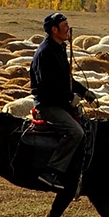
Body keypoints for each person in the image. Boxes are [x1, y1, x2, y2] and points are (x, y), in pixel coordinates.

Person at [30, 11, 85, 192]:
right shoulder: (46, 52)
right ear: (54, 29)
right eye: (65, 26)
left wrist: (85, 92)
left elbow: (66, 80)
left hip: (59, 102)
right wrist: (69, 98)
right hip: (48, 105)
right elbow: (47, 86)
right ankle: (51, 171)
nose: (68, 29)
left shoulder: (58, 48)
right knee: (75, 132)